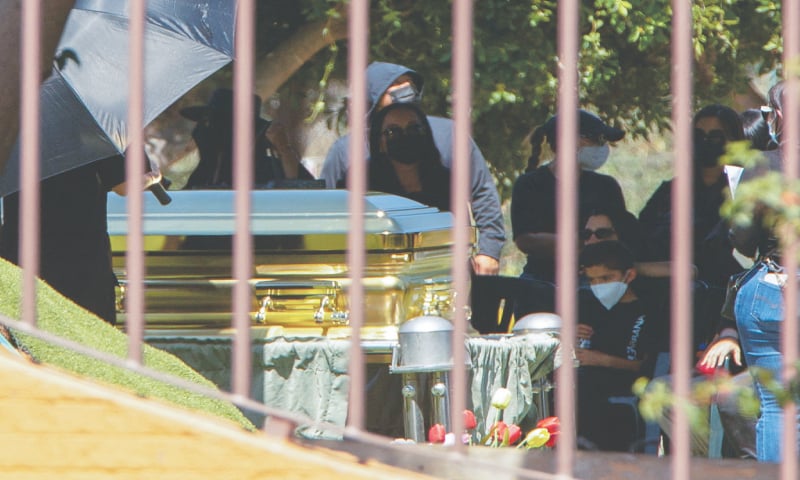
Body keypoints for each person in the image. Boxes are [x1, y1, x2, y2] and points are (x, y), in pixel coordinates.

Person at [320, 61, 505, 275]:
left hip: (445, 260)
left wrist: (489, 251)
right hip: (377, 268)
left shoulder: (449, 134)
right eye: (395, 85)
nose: (405, 90)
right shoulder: (346, 150)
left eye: (409, 84)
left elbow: (482, 192)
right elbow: (329, 208)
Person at [0, 157, 162, 325]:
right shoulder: (100, 133)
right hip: (80, 252)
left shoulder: (11, 132)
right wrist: (153, 177)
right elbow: (125, 185)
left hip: (20, 245)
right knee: (86, 332)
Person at [730, 79, 800, 463]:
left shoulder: (763, 166)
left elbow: (741, 238)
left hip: (773, 286)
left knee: (777, 407)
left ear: (780, 116)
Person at [511, 109, 627, 286]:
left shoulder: (606, 186)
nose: (601, 147)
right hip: (542, 280)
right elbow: (525, 239)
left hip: (595, 279)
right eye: (597, 140)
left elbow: (620, 235)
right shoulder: (530, 184)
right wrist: (577, 242)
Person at [574, 240, 655, 451]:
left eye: (606, 278)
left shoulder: (648, 313)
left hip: (623, 396)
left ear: (629, 275)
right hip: (584, 390)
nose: (599, 286)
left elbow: (648, 367)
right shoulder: (588, 307)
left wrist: (602, 360)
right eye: (592, 280)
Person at [180, 88, 314, 189]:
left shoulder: (266, 169)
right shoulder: (205, 171)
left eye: (211, 122)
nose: (203, 129)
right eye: (204, 122)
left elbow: (302, 193)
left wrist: (284, 150)